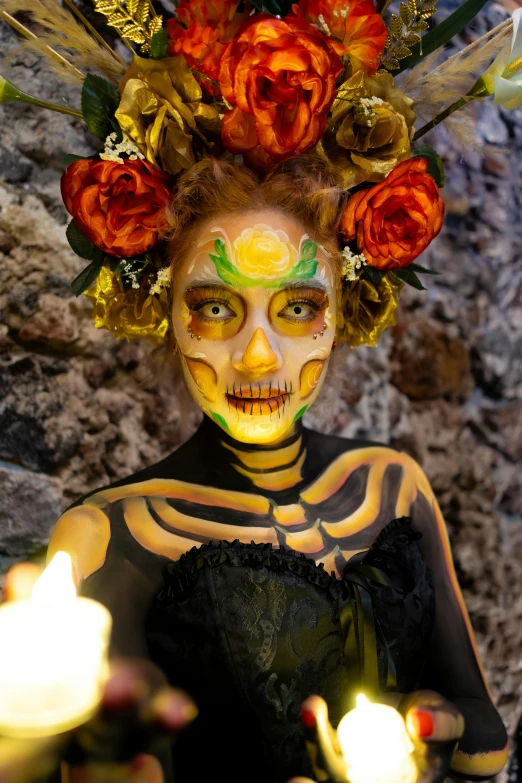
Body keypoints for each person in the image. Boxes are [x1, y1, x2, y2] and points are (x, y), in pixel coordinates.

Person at [46, 156, 508, 783]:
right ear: (168, 315)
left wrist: (435, 727)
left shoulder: (393, 484)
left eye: (296, 309)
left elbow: (488, 741)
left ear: (340, 314)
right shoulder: (113, 534)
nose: (259, 357)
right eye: (214, 307)